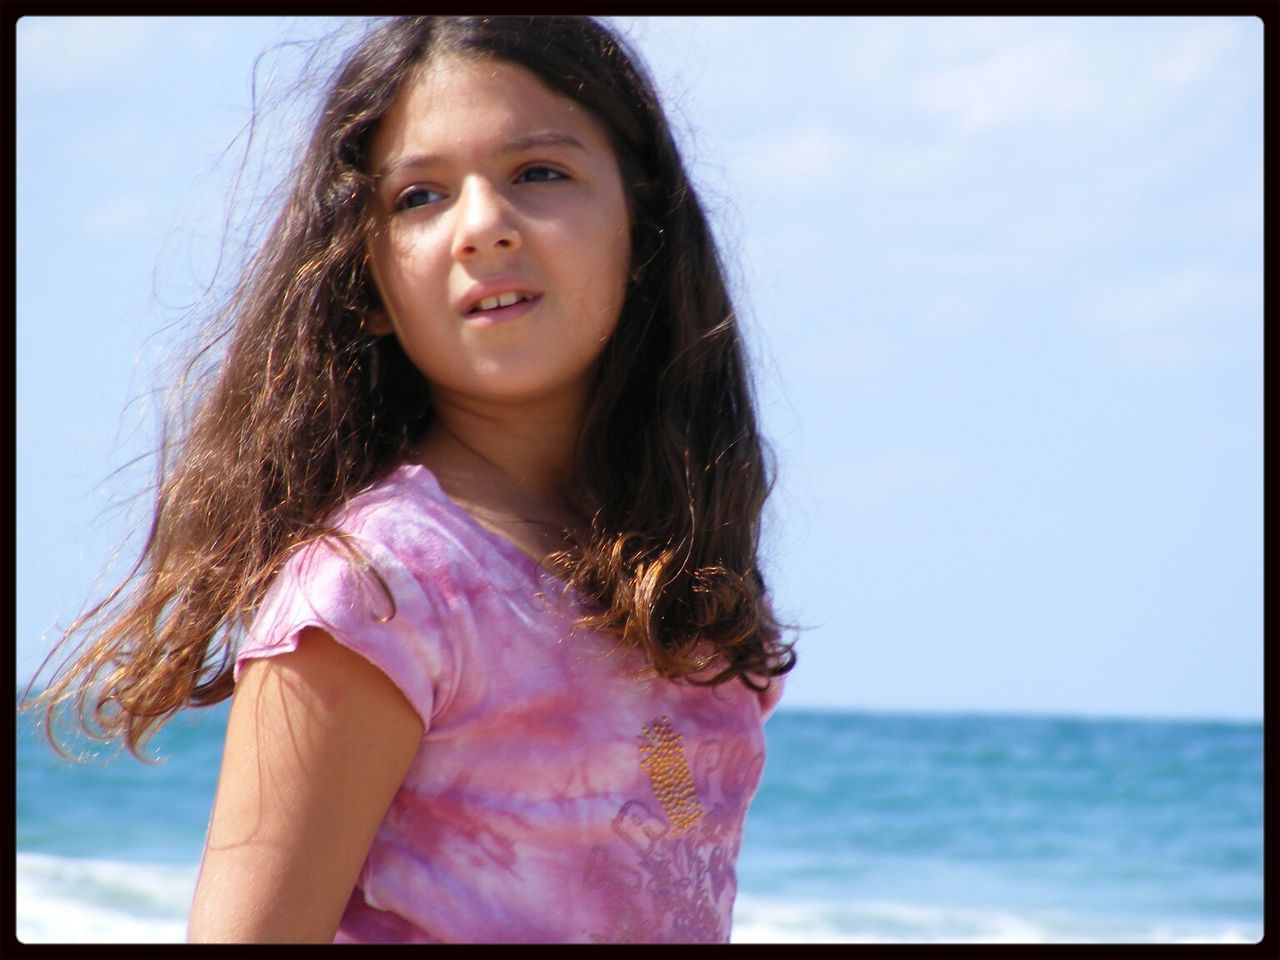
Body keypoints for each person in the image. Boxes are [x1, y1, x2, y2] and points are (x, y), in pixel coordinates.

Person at [25, 15, 794, 943]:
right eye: (421, 196)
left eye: (539, 173)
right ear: (368, 289)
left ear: (646, 229)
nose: (483, 227)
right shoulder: (375, 591)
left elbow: (664, 837)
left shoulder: (682, 588)